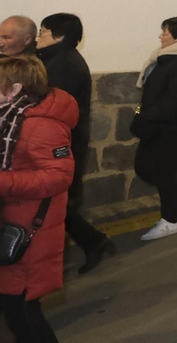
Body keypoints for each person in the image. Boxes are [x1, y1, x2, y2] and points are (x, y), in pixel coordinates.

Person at [0, 55, 77, 343]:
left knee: (22, 311)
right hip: (12, 218)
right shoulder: (10, 118)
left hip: (27, 227)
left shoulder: (41, 125)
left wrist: (3, 182)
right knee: (17, 309)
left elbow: (58, 177)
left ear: (14, 88)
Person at [35, 14, 112, 273]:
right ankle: (94, 241)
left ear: (60, 36)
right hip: (62, 142)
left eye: (43, 32)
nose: (39, 37)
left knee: (52, 201)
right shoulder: (57, 59)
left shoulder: (64, 65)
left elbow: (51, 108)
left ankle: (92, 242)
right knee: (53, 202)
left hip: (59, 144)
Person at [131, 17, 177, 241]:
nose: (161, 36)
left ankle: (171, 221)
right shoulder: (165, 58)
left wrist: (147, 116)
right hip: (158, 122)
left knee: (163, 170)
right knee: (144, 167)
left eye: (165, 32)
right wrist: (143, 115)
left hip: (176, 125)